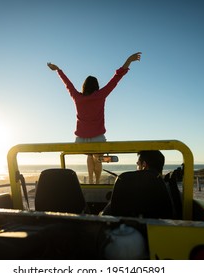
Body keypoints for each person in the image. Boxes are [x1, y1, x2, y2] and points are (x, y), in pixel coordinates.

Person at [47, 52, 142, 184]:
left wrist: (58, 70)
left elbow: (67, 84)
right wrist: (128, 61)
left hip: (80, 140)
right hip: (98, 137)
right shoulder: (100, 95)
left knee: (89, 155)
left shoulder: (77, 97)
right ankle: (96, 181)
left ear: (84, 86)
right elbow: (116, 79)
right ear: (96, 86)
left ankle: (90, 179)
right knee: (97, 157)